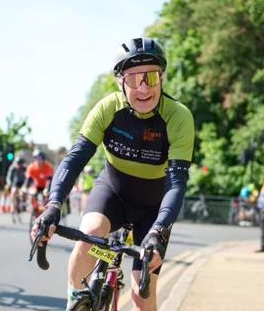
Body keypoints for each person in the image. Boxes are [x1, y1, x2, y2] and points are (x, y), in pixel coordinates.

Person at [31, 37, 195, 310]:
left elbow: (176, 182)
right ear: (120, 82)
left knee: (143, 298)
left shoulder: (178, 117)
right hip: (113, 193)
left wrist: (159, 230)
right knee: (91, 233)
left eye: (151, 78)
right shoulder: (108, 108)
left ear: (162, 78)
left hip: (152, 209)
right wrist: (53, 205)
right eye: (133, 79)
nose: (143, 88)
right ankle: (75, 295)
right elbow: (75, 159)